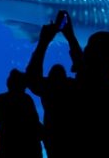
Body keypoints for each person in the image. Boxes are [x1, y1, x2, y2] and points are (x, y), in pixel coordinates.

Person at [29, 10, 109, 157]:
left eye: (87, 50)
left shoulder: (71, 89)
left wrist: (43, 42)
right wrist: (70, 36)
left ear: (96, 56)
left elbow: (34, 81)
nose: (83, 52)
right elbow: (87, 71)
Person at [26, 30, 76, 158]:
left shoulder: (46, 87)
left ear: (48, 78)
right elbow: (86, 74)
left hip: (51, 132)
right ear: (67, 78)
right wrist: (70, 37)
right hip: (72, 132)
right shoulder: (73, 88)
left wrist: (43, 42)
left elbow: (32, 76)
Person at [0, 69, 42, 158]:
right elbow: (34, 119)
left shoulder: (1, 98)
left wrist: (7, 122)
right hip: (25, 139)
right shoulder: (27, 99)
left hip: (6, 138)